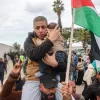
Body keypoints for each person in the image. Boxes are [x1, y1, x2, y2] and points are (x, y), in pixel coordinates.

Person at [21, 16, 63, 100]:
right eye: (37, 28)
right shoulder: (29, 40)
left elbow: (64, 64)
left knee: (68, 97)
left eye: (43, 27)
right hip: (34, 79)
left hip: (53, 79)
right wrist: (50, 40)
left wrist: (55, 64)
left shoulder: (57, 37)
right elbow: (34, 55)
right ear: (34, 28)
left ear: (47, 27)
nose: (40, 30)